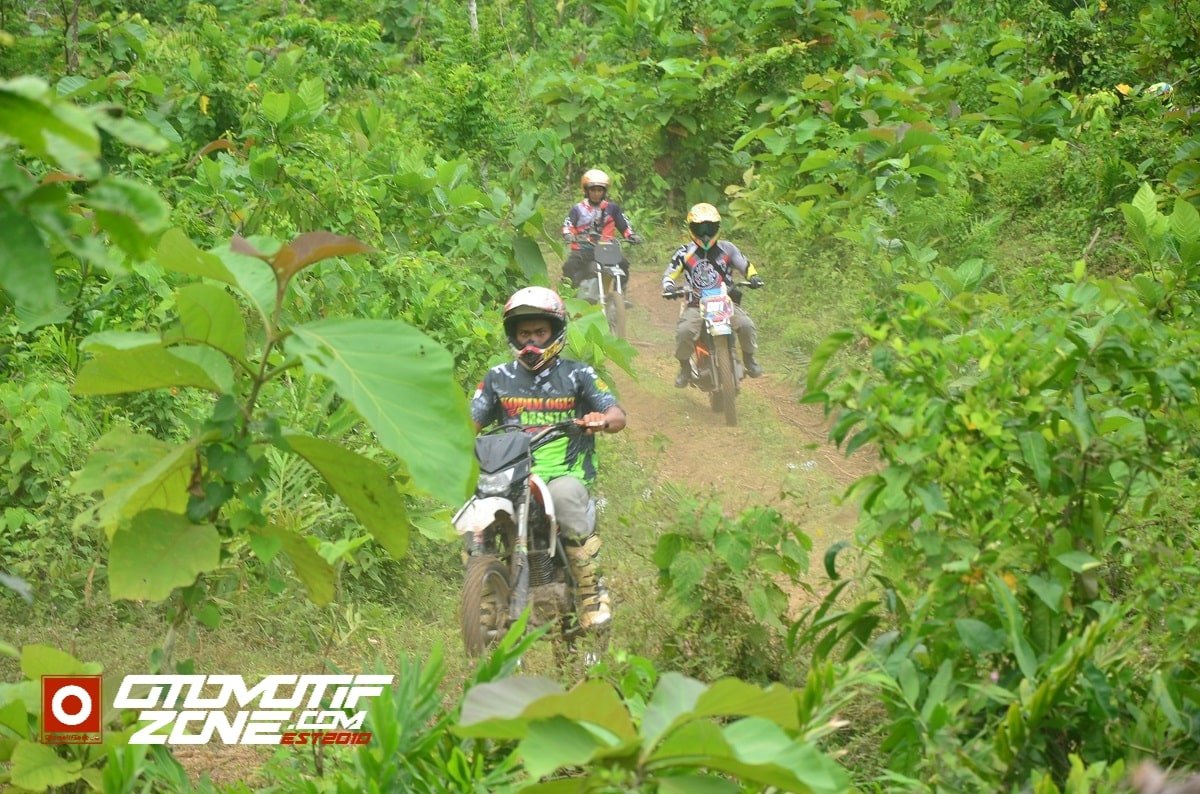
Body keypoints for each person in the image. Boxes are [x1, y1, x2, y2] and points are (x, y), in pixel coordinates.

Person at [470, 286, 627, 630]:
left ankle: (590, 591)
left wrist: (602, 419)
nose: (532, 341)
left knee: (566, 498)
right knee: (473, 514)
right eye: (524, 333)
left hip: (563, 472)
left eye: (540, 332)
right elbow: (472, 419)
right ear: (513, 334)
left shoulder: (577, 374)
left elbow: (615, 413)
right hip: (508, 472)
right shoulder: (497, 377)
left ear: (555, 333)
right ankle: (484, 597)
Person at [661, 203, 764, 388]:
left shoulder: (728, 249)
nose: (706, 234)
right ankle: (685, 368)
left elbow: (745, 265)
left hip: (725, 302)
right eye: (700, 228)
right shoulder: (684, 252)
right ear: (692, 229)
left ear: (718, 227)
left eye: (710, 228)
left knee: (747, 325)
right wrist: (669, 287)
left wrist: (753, 277)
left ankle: (749, 360)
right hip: (695, 304)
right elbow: (670, 273)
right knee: (684, 332)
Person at [562, 168, 642, 287]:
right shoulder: (578, 209)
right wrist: (568, 234)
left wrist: (631, 235)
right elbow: (568, 225)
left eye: (599, 190)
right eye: (593, 190)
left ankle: (619, 294)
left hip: (606, 249)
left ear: (604, 192)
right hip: (582, 249)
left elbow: (624, 225)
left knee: (623, 264)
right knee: (570, 265)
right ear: (586, 191)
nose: (596, 193)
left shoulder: (612, 208)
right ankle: (568, 294)